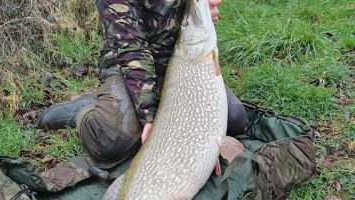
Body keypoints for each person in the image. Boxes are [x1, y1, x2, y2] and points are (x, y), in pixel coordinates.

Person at [38, 0, 248, 169]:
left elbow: (192, 17)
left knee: (235, 119)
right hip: (126, 65)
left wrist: (204, 13)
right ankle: (86, 111)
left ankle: (125, 103)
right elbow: (132, 51)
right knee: (111, 142)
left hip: (176, 61)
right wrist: (148, 114)